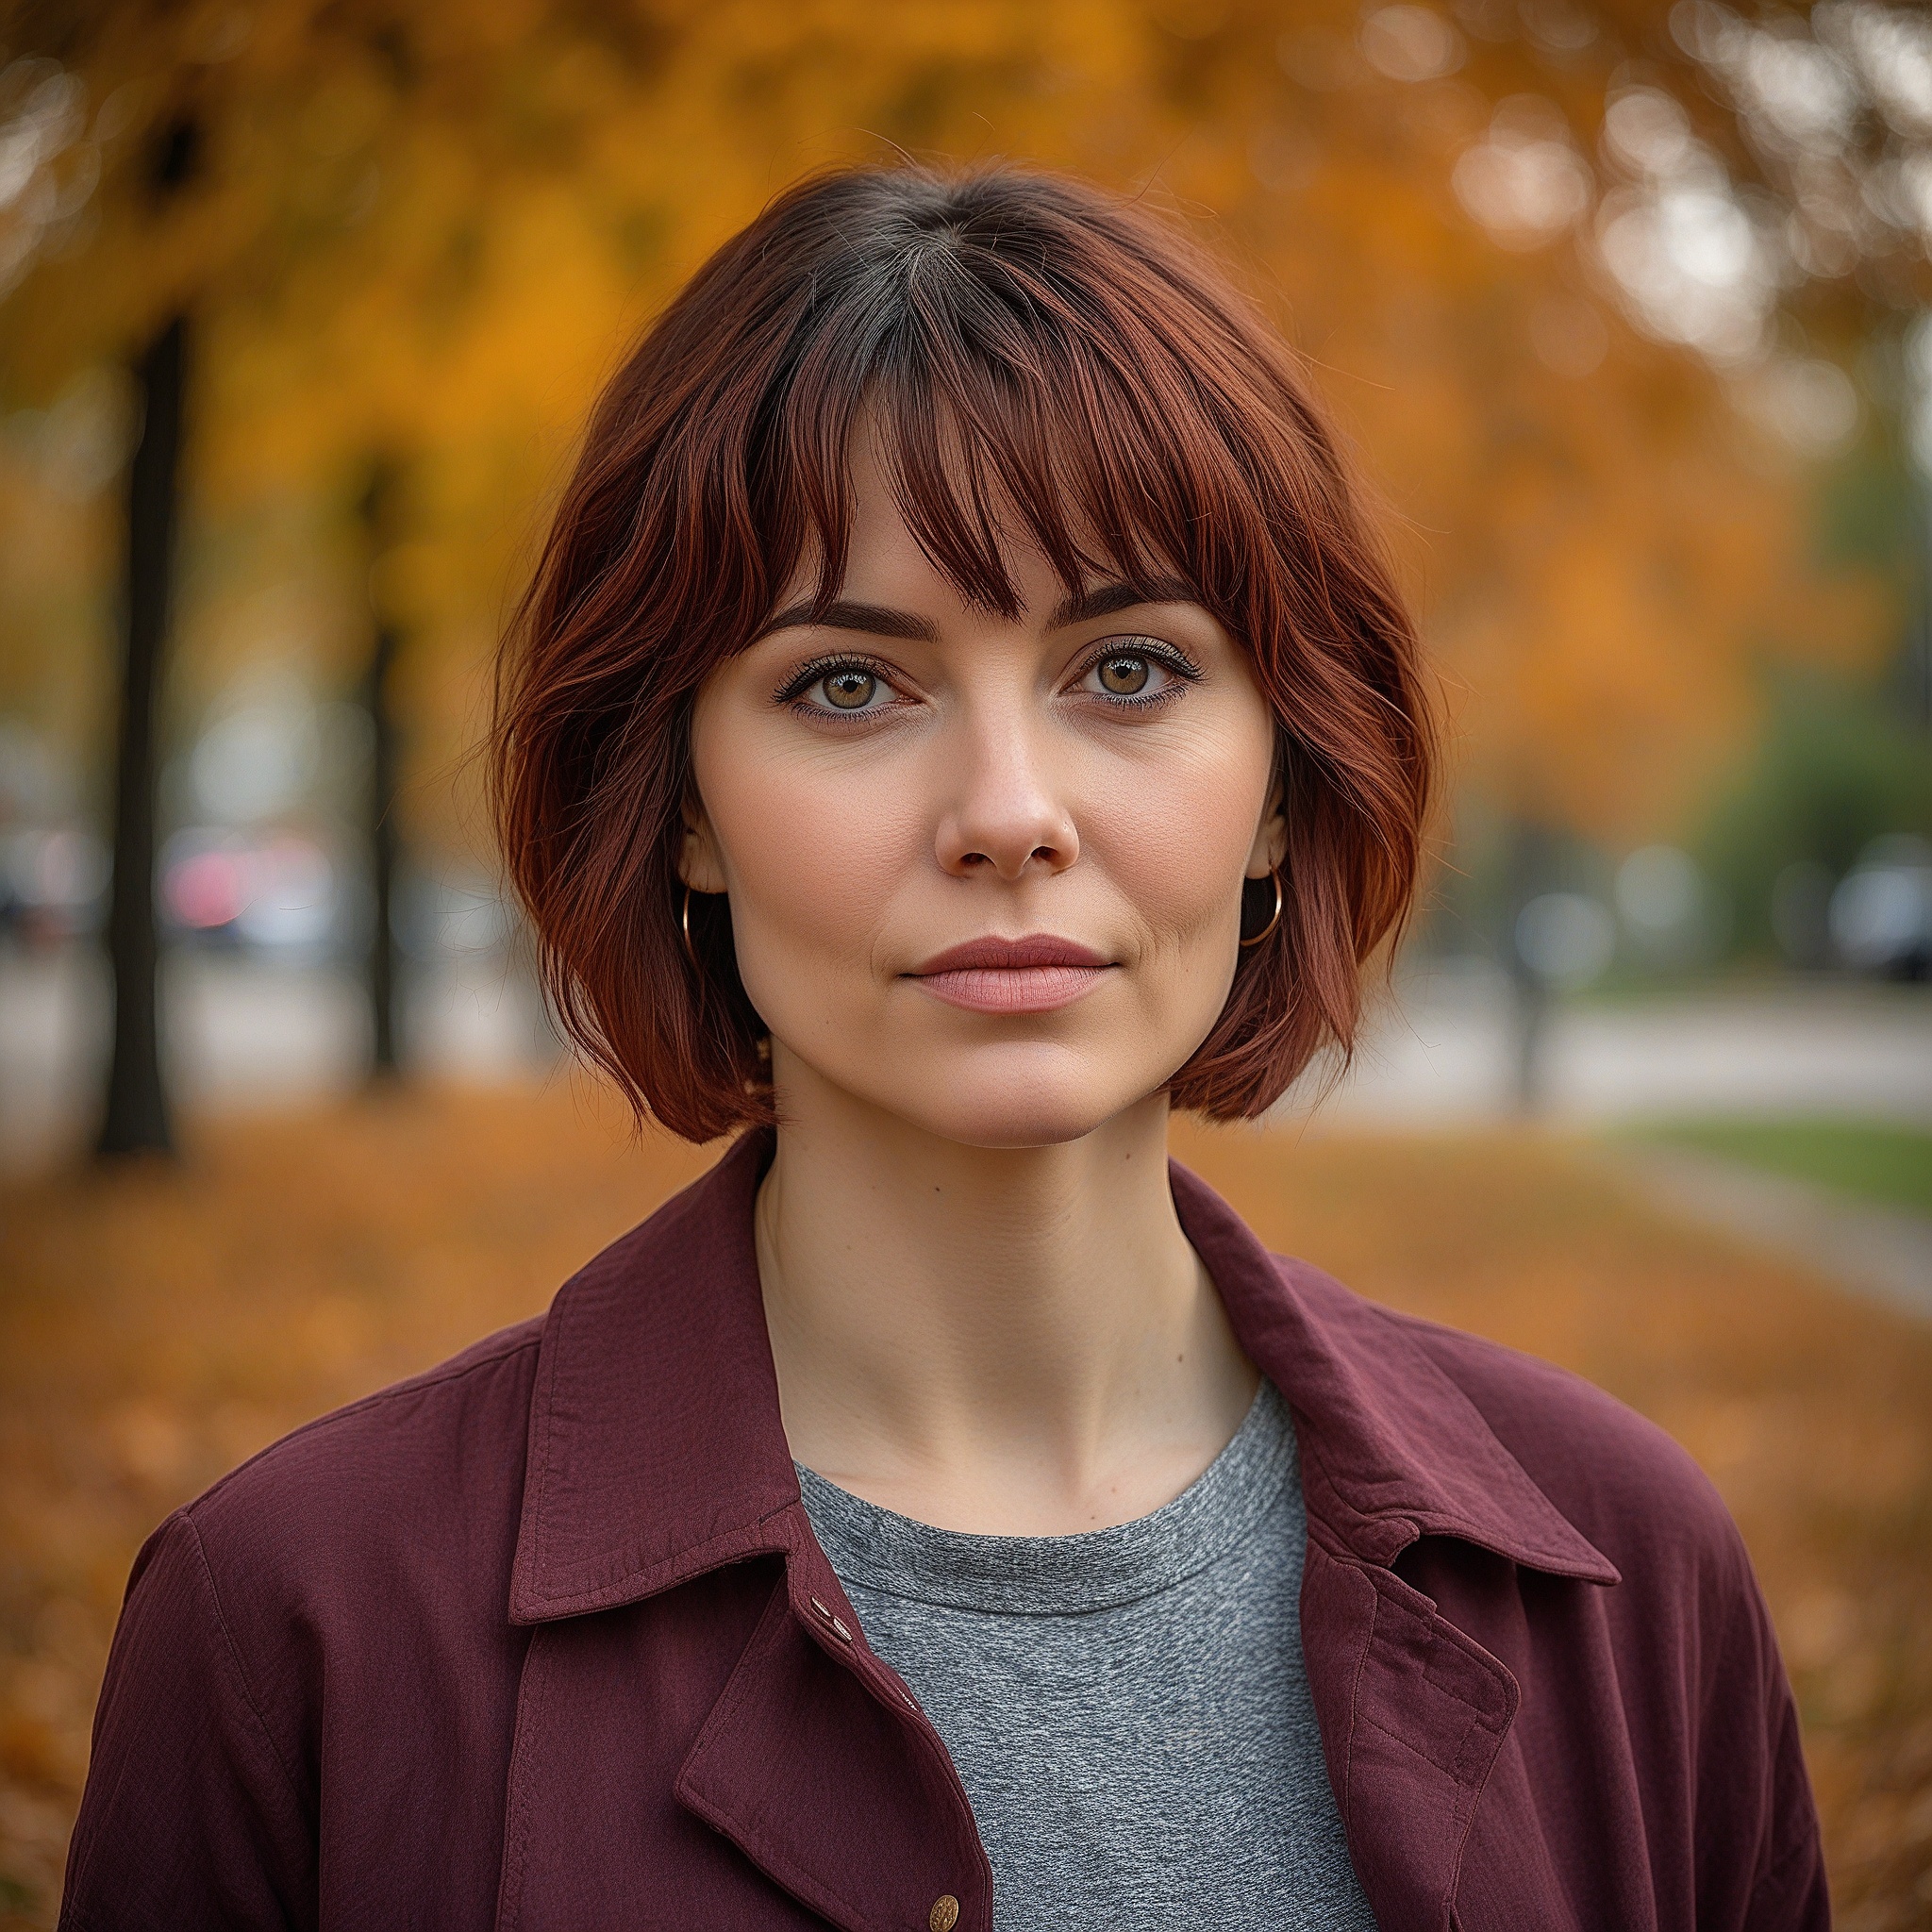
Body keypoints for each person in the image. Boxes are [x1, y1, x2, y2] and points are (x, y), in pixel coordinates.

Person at [60, 163, 1825, 1932]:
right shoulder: (297, 1632)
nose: (1008, 815)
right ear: (680, 804)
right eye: (850, 683)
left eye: (1127, 669)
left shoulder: (1632, 1581)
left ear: (1283, 784)